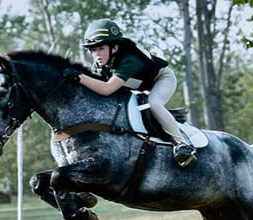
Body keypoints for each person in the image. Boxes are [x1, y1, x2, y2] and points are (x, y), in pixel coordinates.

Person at [63, 19, 197, 167]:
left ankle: (183, 145)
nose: (97, 54)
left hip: (162, 79)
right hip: (138, 85)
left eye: (101, 48)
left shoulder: (130, 60)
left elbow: (107, 89)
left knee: (153, 103)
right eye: (93, 50)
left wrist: (79, 77)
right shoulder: (101, 64)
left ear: (114, 47)